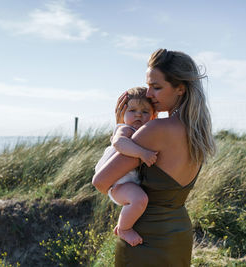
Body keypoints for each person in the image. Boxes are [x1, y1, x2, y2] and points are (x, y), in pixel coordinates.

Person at [92, 48, 216, 266]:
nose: (148, 94)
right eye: (148, 85)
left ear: (180, 89)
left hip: (144, 238)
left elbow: (101, 182)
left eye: (156, 87)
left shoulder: (155, 130)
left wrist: (121, 126)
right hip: (179, 234)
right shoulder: (199, 132)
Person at [94, 87, 158, 247]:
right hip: (118, 183)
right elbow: (119, 143)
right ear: (123, 113)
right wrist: (142, 153)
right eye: (132, 110)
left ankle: (125, 224)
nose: (138, 114)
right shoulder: (125, 128)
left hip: (126, 182)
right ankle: (124, 228)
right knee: (139, 199)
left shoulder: (145, 131)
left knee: (139, 199)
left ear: (153, 115)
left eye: (144, 111)